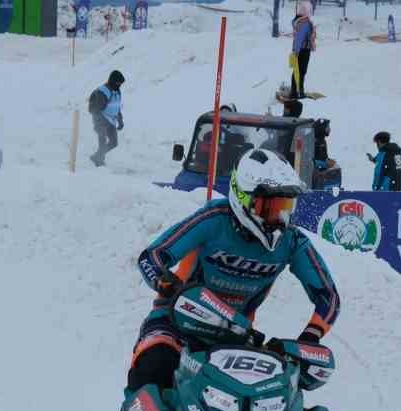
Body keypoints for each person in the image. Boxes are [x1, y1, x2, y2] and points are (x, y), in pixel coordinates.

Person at [127, 149, 340, 394]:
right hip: (175, 321)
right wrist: (168, 284)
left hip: (235, 336)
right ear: (243, 197)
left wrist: (310, 338)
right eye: (270, 207)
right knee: (153, 366)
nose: (278, 218)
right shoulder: (214, 219)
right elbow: (152, 256)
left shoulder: (291, 241)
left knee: (266, 401)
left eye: (285, 206)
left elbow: (329, 296)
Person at [87, 70, 124, 168]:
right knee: (102, 139)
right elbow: (95, 110)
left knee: (114, 143)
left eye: (121, 84)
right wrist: (100, 125)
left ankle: (97, 156)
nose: (120, 85)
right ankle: (99, 160)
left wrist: (120, 120)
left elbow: (117, 107)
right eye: (118, 83)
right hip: (100, 120)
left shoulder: (117, 91)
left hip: (111, 121)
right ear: (113, 81)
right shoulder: (102, 92)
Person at [289, 1, 315, 100]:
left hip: (299, 49)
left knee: (297, 71)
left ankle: (295, 91)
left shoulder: (299, 21)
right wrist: (296, 51)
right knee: (301, 71)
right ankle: (298, 92)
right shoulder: (304, 22)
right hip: (303, 50)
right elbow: (300, 38)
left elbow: (299, 37)